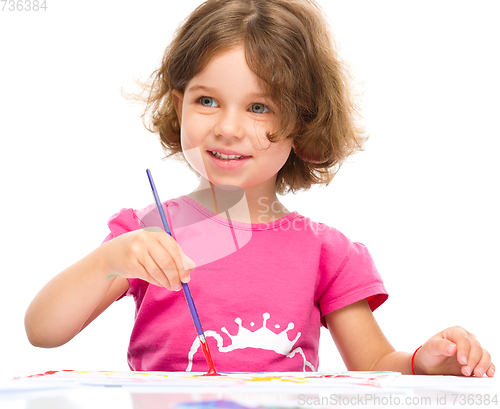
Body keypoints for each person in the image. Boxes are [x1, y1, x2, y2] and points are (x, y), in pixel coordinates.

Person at [25, 0, 494, 377]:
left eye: (260, 107)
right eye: (206, 100)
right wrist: (110, 260)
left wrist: (424, 363)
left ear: (303, 122)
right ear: (178, 105)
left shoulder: (325, 252)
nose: (228, 127)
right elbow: (43, 331)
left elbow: (373, 366)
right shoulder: (147, 235)